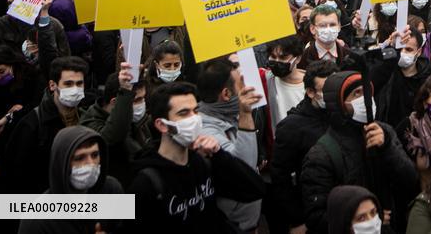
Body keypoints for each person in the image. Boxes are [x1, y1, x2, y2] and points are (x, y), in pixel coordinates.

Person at [128, 81, 266, 231]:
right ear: (162, 125)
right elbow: (114, 218)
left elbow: (255, 189)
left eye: (195, 111)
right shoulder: (147, 181)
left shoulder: (203, 161)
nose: (194, 119)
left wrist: (219, 155)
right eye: (184, 113)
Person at [300, 70, 418, 233]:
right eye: (357, 93)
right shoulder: (322, 155)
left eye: (367, 92)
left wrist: (387, 148)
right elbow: (316, 217)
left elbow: (411, 182)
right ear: (340, 103)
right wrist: (365, 219)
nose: (366, 99)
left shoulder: (385, 132)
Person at [1, 56, 89, 194]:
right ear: (53, 85)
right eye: (68, 84)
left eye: (79, 84)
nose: (75, 89)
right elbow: (16, 173)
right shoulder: (32, 124)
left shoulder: (87, 115)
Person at [271, 60, 339, 234]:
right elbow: (281, 178)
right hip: (312, 215)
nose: (334, 95)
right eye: (326, 90)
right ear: (310, 92)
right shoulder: (291, 127)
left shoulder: (343, 115)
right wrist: (297, 220)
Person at [196, 56, 263, 234]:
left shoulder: (228, 116)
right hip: (231, 226)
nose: (248, 88)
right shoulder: (205, 130)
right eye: (242, 84)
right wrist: (245, 114)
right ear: (226, 94)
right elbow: (243, 170)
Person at [17, 126, 124, 234]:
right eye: (79, 158)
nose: (91, 163)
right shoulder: (37, 219)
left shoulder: (112, 191)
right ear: (62, 163)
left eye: (95, 155)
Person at [79, 62, 150, 186]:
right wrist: (126, 92)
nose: (142, 104)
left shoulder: (139, 121)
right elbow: (113, 136)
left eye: (143, 98)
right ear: (115, 102)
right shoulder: (90, 124)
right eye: (137, 100)